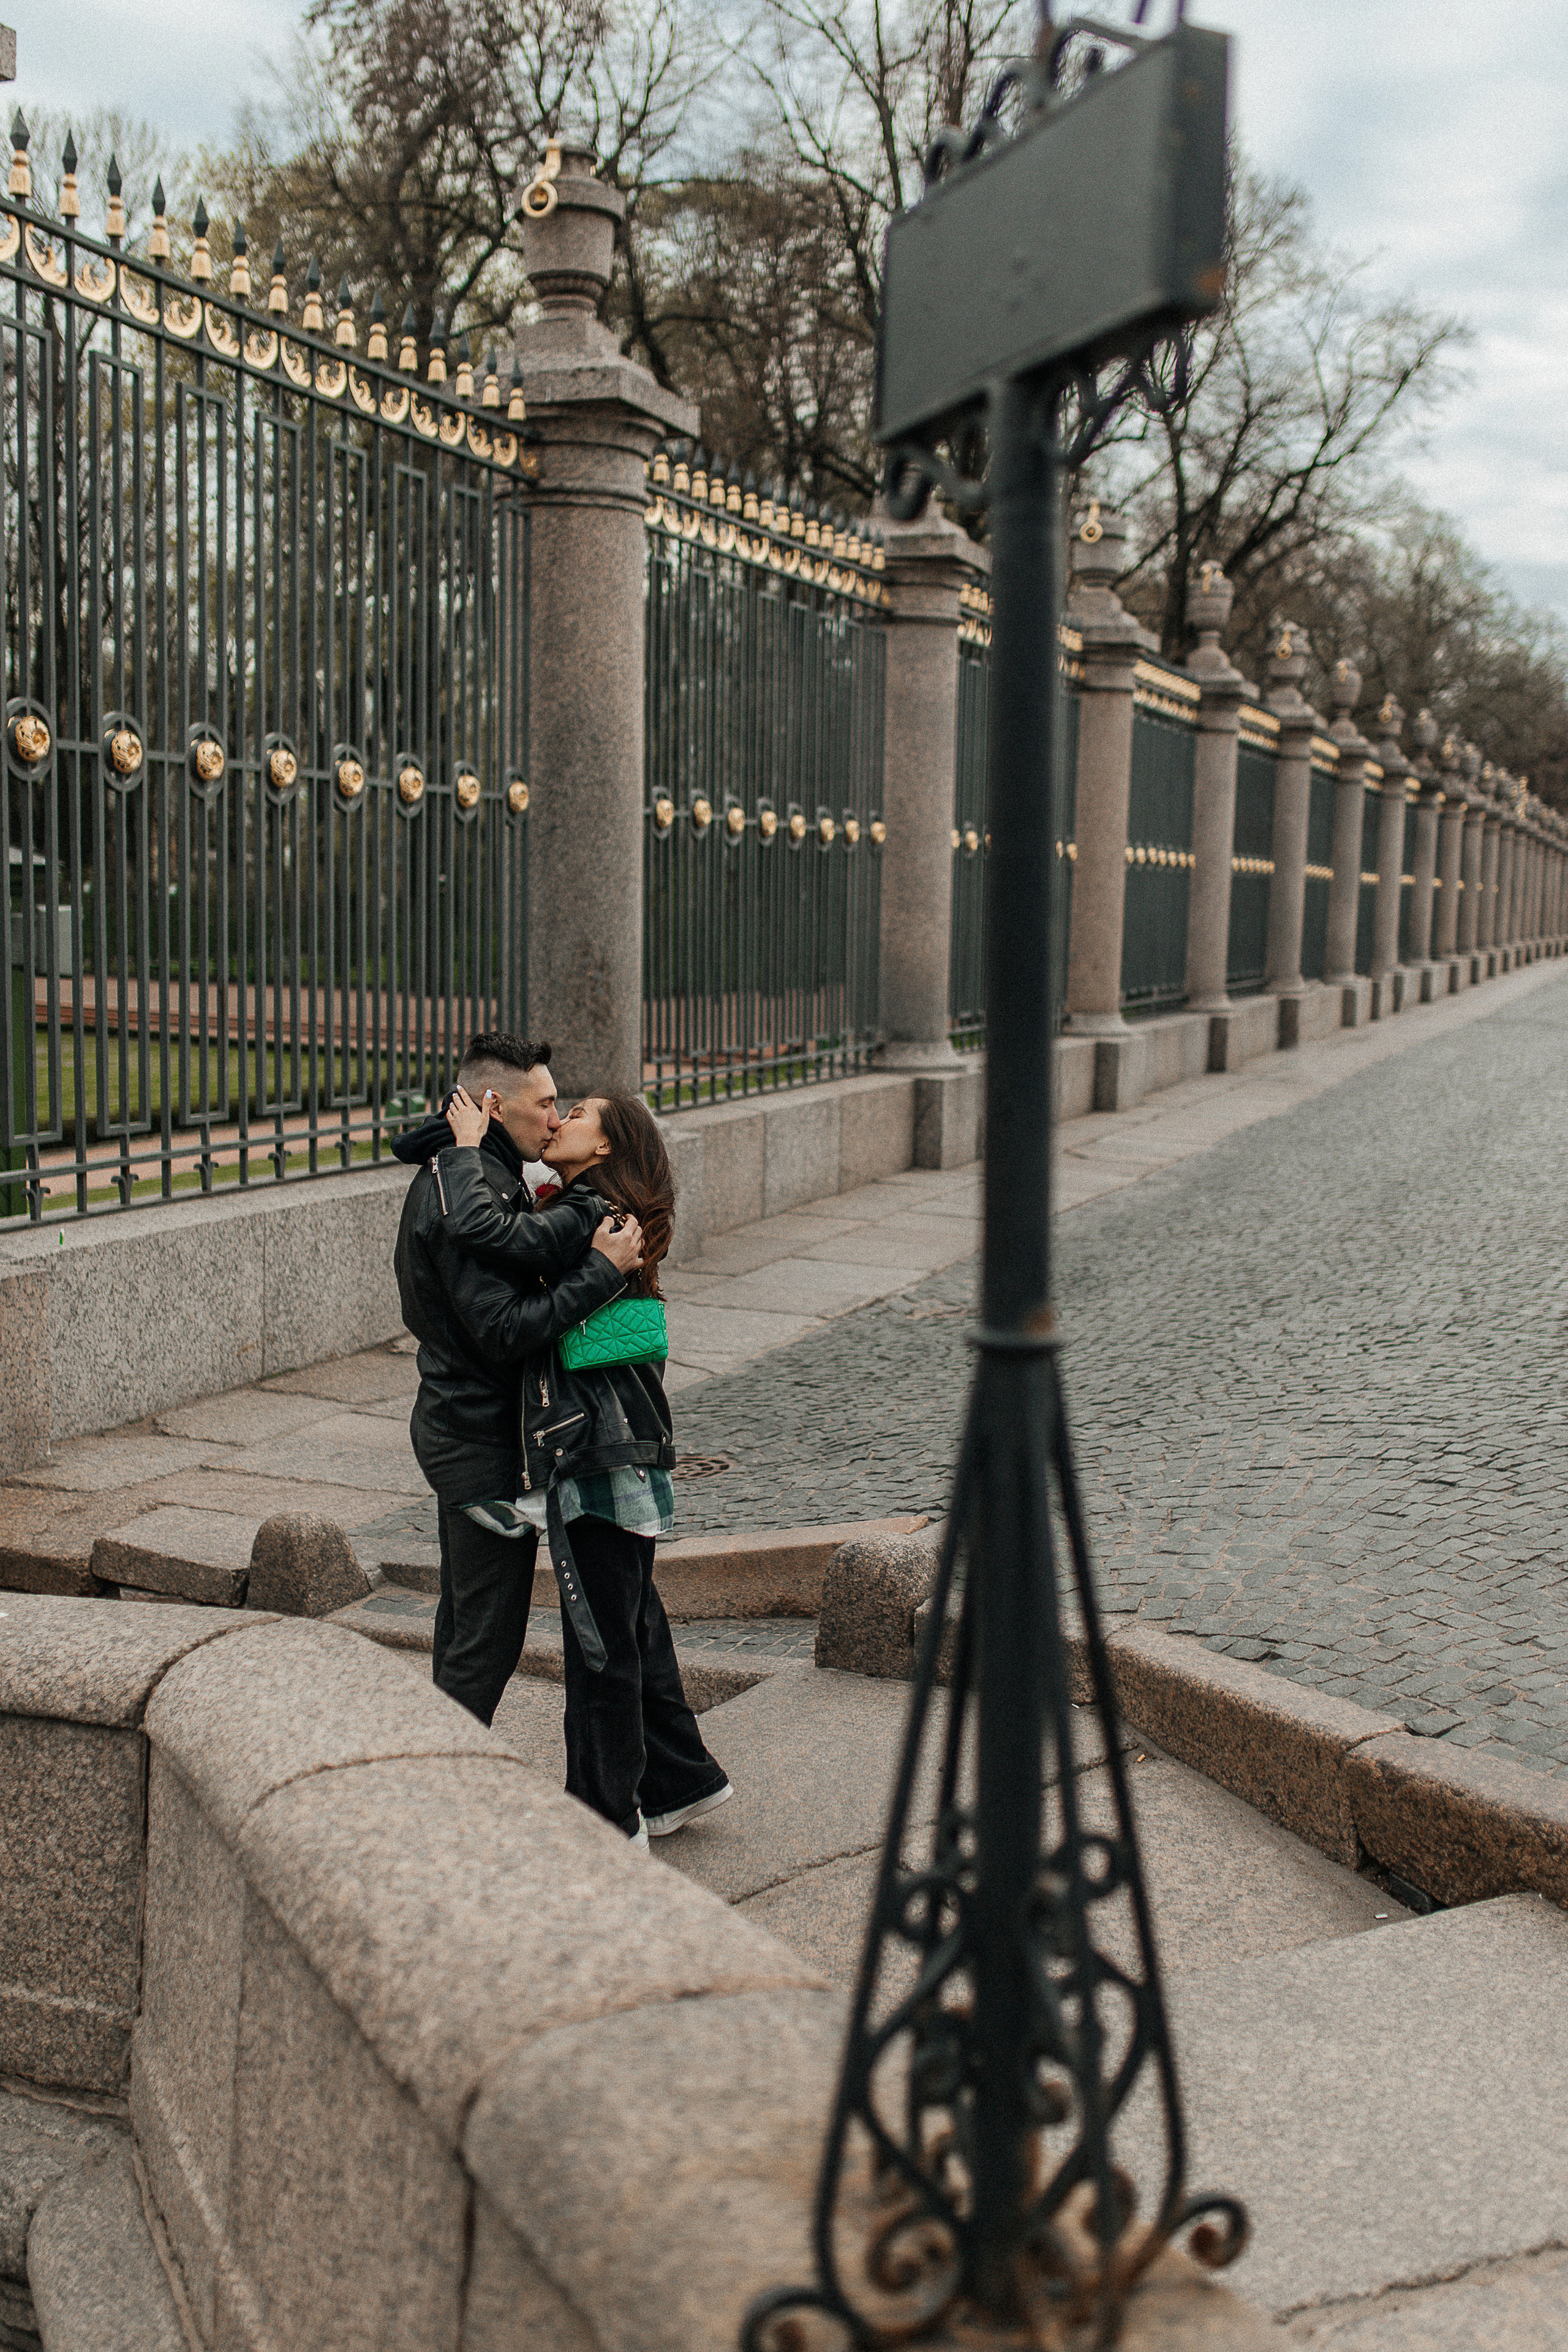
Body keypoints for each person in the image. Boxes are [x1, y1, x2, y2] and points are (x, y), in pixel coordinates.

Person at [439, 1082, 733, 1847]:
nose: (560, 1118)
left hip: (597, 1452)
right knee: (633, 1624)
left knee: (599, 1646)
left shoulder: (586, 1214)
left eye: (577, 1116)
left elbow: (483, 1232)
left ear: (603, 1147)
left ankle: (604, 1817)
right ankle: (681, 1781)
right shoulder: (601, 1210)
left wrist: (468, 1148)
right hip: (623, 1445)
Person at [391, 1035, 644, 1725]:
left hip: (467, 1426)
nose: (556, 1119)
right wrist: (600, 1272)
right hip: (477, 1439)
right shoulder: (469, 1197)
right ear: (497, 1107)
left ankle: (431, 1774)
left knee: (468, 1627)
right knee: (485, 1642)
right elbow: (504, 1330)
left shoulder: (476, 1179)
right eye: (547, 1104)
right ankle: (437, 1798)